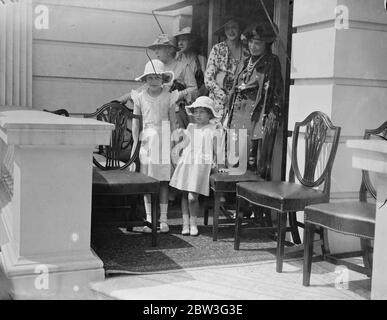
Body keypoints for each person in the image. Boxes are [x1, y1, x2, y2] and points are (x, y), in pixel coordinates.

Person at [121, 59, 179, 233]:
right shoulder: (139, 97)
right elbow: (137, 126)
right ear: (145, 79)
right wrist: (133, 153)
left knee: (162, 181)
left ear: (163, 79)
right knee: (147, 180)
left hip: (163, 141)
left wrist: (175, 146)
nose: (154, 80)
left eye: (157, 77)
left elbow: (173, 123)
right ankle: (149, 218)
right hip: (147, 142)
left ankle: (163, 219)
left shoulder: (169, 96)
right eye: (150, 77)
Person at [223, 22, 283, 173]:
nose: (253, 46)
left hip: (254, 113)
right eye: (250, 42)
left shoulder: (271, 61)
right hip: (237, 112)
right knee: (234, 155)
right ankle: (232, 192)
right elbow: (233, 90)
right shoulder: (244, 61)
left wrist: (272, 117)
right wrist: (227, 113)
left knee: (251, 156)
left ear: (266, 44)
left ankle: (248, 192)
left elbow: (276, 91)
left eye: (257, 43)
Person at [169, 96, 223, 236]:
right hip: (187, 162)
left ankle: (194, 223)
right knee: (185, 193)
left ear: (210, 114)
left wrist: (217, 165)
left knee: (193, 196)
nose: (198, 115)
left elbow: (217, 150)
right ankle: (185, 223)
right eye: (196, 111)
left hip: (201, 165)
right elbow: (185, 145)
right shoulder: (191, 127)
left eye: (202, 112)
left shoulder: (214, 129)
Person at [204, 15, 249, 119]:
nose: (231, 31)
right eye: (227, 28)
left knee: (238, 133)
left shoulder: (247, 50)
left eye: (234, 27)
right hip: (219, 100)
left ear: (240, 29)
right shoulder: (218, 49)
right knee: (218, 132)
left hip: (240, 100)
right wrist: (224, 97)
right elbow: (208, 79)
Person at [174, 26, 208, 97]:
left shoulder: (201, 60)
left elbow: (207, 83)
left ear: (192, 41)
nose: (180, 43)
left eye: (183, 40)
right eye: (179, 40)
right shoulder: (176, 59)